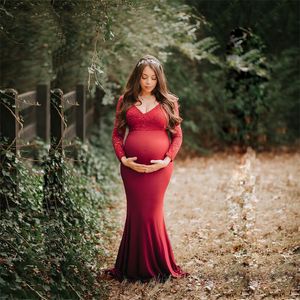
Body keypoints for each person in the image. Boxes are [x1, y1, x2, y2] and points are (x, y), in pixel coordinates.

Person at [103, 54, 190, 283]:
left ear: (159, 78)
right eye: (144, 77)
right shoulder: (126, 100)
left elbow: (177, 136)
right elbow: (116, 135)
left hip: (160, 170)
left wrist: (167, 160)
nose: (148, 81)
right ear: (138, 77)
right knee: (136, 214)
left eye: (153, 77)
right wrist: (124, 159)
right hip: (131, 170)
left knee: (151, 214)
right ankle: (131, 267)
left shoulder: (169, 102)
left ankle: (158, 265)